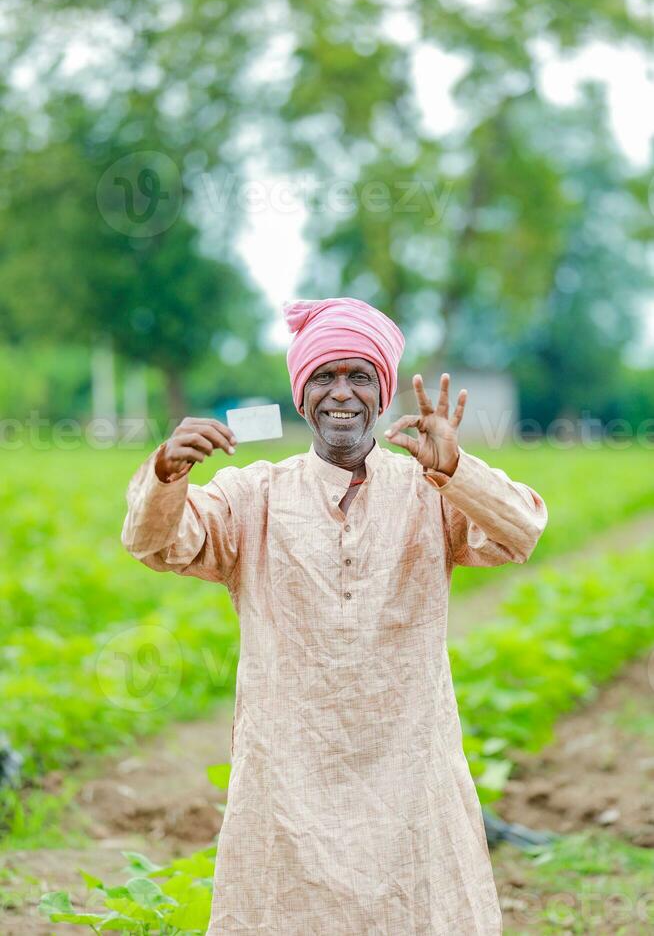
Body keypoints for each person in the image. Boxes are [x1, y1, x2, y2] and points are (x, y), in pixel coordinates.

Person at [121, 296, 548, 935]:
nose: (340, 393)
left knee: (418, 911)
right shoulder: (255, 494)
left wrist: (456, 470)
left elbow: (521, 533)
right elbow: (159, 543)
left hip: (409, 766)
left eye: (358, 376)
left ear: (382, 394)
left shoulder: (427, 490)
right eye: (324, 377)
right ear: (300, 396)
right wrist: (165, 474)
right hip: (288, 771)